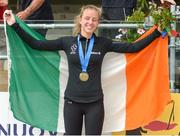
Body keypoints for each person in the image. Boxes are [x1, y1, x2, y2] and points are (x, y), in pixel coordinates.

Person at [5, 5, 162, 135]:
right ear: (80, 20)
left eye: (94, 20)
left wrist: (156, 32)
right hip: (72, 102)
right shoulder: (66, 42)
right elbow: (36, 44)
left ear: (97, 23)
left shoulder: (103, 43)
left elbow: (133, 47)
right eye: (87, 18)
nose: (90, 22)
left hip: (95, 104)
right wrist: (14, 24)